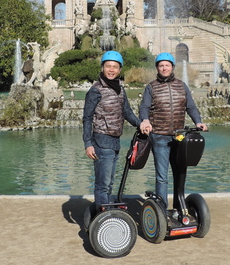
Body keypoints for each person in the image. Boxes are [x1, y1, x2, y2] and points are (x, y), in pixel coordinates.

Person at [139, 52, 208, 209]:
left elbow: (190, 106)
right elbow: (144, 106)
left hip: (179, 136)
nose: (164, 68)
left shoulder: (181, 85)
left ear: (172, 67)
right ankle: (162, 210)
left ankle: (179, 207)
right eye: (161, 65)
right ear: (157, 68)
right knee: (162, 177)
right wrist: (145, 120)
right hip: (159, 137)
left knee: (180, 173)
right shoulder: (151, 87)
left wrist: (198, 122)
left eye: (167, 65)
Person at [82, 51, 140, 208]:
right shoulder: (95, 90)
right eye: (108, 66)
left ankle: (107, 213)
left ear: (120, 70)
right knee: (103, 184)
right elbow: (87, 118)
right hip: (101, 141)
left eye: (115, 67)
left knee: (110, 183)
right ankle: (103, 219)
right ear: (102, 67)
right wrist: (88, 143)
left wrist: (140, 124)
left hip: (115, 142)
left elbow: (127, 112)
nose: (111, 70)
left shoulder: (120, 89)